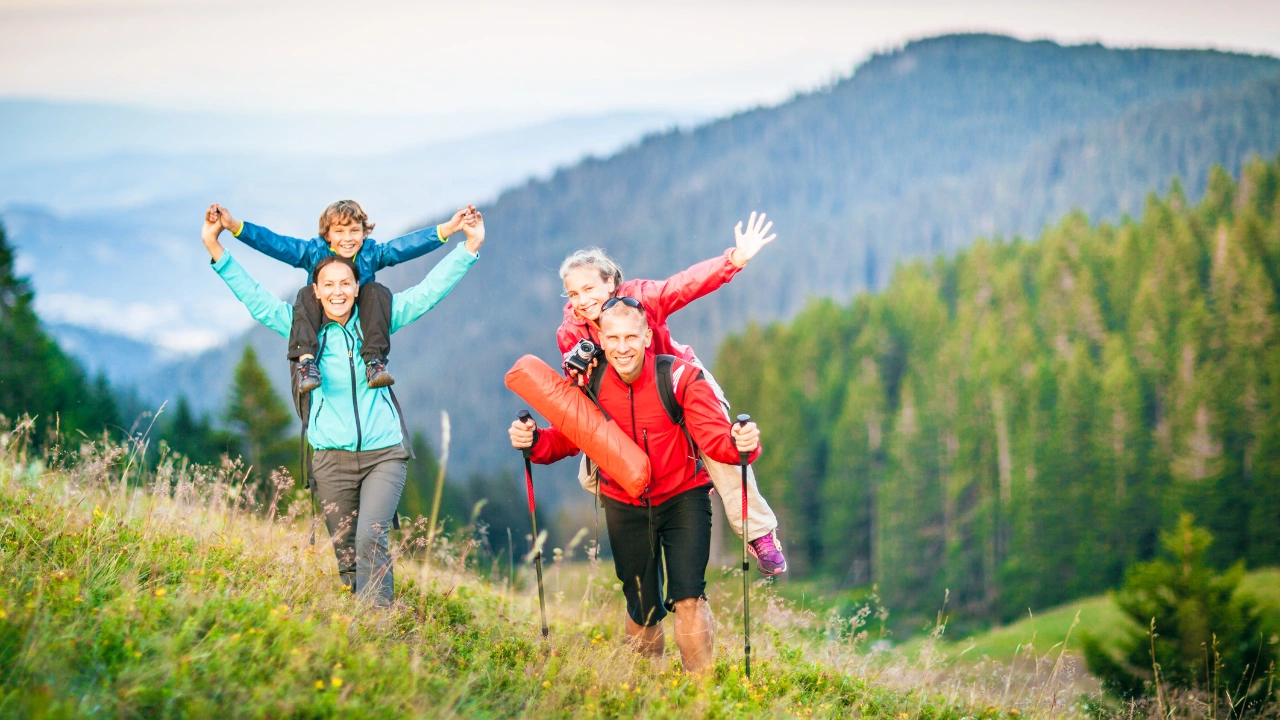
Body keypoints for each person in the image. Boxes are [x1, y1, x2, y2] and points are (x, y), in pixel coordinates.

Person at [200, 206, 486, 606]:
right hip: (330, 456)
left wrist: (468, 247)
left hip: (383, 453)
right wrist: (216, 246)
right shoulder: (302, 329)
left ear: (357, 287)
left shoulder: (378, 321)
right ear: (315, 291)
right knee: (347, 555)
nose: (337, 291)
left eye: (345, 283)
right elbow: (256, 299)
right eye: (328, 284)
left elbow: (428, 292)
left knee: (371, 537)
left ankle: (381, 623)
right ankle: (362, 624)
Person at [509, 298, 762, 674]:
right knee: (641, 608)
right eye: (613, 337)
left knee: (689, 596)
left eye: (631, 336)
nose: (622, 346)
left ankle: (701, 697)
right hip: (623, 501)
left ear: (647, 337)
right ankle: (643, 691)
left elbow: (715, 441)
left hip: (683, 498)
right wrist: (533, 442)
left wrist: (743, 443)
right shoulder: (590, 382)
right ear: (602, 339)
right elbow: (568, 438)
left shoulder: (680, 378)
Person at [555, 212, 786, 575]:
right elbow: (578, 395)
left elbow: (683, 285)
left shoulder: (640, 299)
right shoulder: (571, 332)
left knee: (720, 448)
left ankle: (758, 533)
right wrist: (579, 374)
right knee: (590, 476)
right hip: (628, 401)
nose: (582, 300)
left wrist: (733, 260)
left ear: (611, 283)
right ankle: (672, 485)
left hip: (678, 381)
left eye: (588, 289)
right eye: (573, 294)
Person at [208, 200, 474, 392]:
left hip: (360, 314)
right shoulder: (313, 253)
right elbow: (275, 244)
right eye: (340, 231)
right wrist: (234, 227)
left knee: (376, 291)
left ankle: (374, 362)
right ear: (327, 236)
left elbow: (404, 247)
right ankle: (307, 363)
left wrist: (447, 230)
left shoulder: (372, 254)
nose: (348, 238)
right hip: (320, 316)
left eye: (354, 231)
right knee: (306, 295)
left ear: (364, 233)